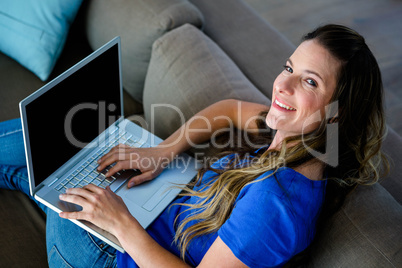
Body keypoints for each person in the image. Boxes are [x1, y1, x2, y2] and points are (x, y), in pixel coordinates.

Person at [0, 24, 389, 267]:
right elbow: (229, 110)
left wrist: (121, 222)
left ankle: (39, 183)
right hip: (151, 217)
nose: (282, 86)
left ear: (338, 112)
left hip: (113, 256)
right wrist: (163, 151)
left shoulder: (276, 206)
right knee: (53, 153)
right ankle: (31, 181)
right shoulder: (299, 139)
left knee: (62, 150)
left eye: (310, 82)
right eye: (289, 67)